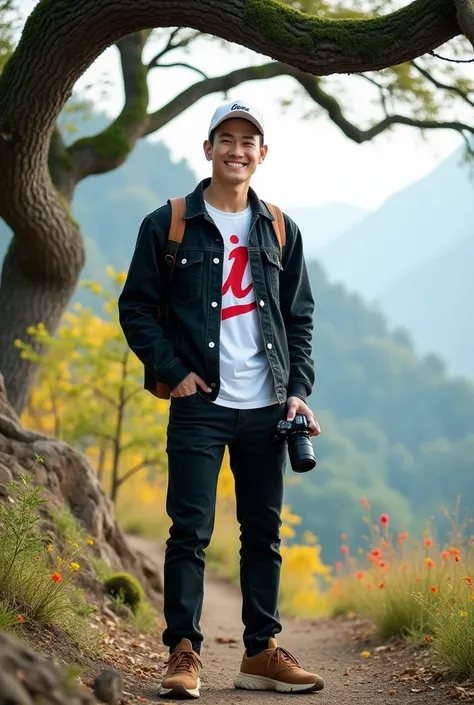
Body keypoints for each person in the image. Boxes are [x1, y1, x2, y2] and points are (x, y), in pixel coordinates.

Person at [118, 99, 323, 700]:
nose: (237, 150)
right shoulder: (169, 222)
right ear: (207, 149)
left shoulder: (280, 228)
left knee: (264, 533)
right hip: (200, 404)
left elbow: (299, 319)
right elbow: (136, 307)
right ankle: (183, 653)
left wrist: (298, 392)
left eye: (248, 141)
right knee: (190, 531)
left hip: (268, 407)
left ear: (263, 153)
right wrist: (173, 370)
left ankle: (260, 653)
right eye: (226, 139)